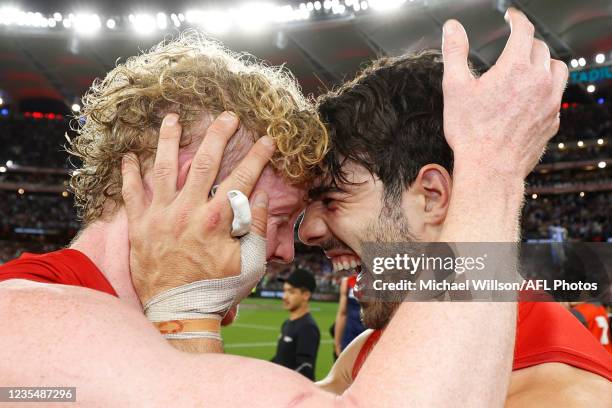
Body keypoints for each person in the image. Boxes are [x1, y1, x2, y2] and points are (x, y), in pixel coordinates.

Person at [0, 10, 562, 406]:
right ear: (186, 176)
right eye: (271, 220)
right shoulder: (36, 323)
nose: (287, 250)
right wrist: (492, 165)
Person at [298, 21, 612, 408]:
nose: (306, 231)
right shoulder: (374, 348)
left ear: (431, 196)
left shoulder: (562, 394)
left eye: (332, 199)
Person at [271, 268, 321, 380]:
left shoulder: (307, 328)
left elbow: (304, 368)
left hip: (296, 392)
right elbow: (281, 359)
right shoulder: (287, 323)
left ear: (306, 295)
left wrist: (281, 381)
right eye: (284, 291)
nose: (284, 297)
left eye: (291, 292)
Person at [334, 274, 366, 356]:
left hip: (369, 336)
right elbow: (342, 313)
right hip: (349, 337)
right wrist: (337, 343)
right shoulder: (347, 282)